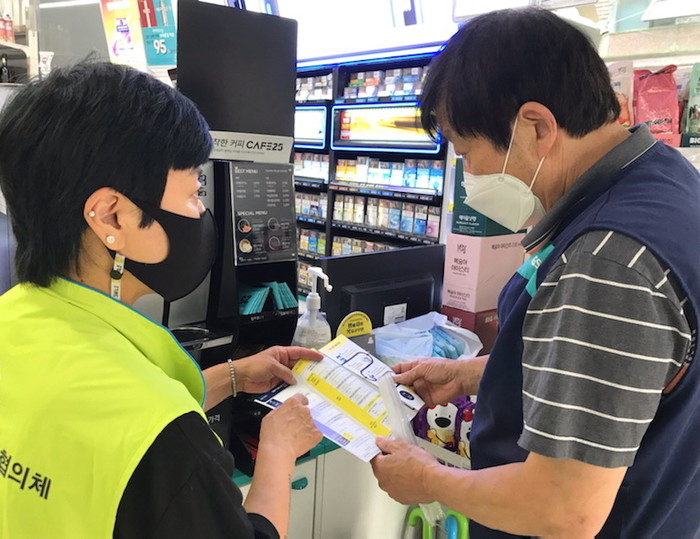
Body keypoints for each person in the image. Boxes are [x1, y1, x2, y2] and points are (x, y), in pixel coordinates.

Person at [371, 8, 700, 538]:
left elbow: (563, 510)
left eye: (466, 151)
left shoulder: (604, 262)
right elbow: (628, 378)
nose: (469, 173)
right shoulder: (667, 183)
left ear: (536, 126)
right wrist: (476, 373)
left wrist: (428, 479)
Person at [0, 61, 323, 538]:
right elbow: (143, 428)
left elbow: (90, 422)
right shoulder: (169, 439)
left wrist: (233, 376)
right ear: (112, 217)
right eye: (194, 191)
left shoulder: (13, 320)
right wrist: (278, 448)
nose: (201, 212)